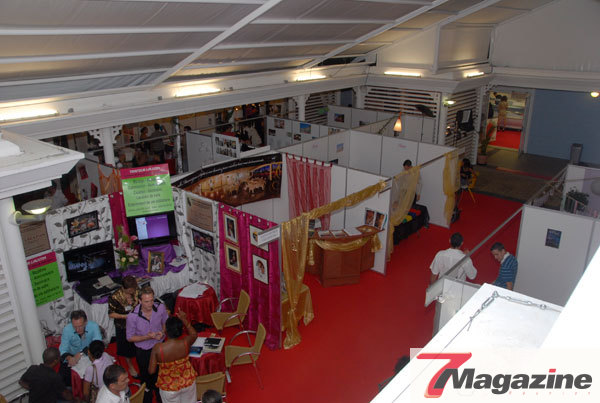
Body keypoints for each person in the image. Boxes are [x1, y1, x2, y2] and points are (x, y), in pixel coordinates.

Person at [126, 286, 168, 403]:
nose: (150, 304)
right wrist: (147, 337)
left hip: (159, 346)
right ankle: (148, 392)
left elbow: (165, 322)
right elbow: (129, 337)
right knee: (146, 376)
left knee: (161, 373)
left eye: (151, 300)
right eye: (146, 301)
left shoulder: (160, 307)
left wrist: (162, 332)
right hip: (144, 351)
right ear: (140, 301)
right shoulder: (132, 316)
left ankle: (160, 394)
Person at [148, 311, 198, 403]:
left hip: (168, 386)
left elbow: (151, 371)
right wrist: (184, 320)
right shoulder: (186, 342)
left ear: (166, 331)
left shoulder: (158, 348)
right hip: (188, 381)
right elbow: (194, 334)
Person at [59, 310, 103, 386]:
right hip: (72, 355)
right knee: (63, 377)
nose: (77, 330)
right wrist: (69, 358)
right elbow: (62, 349)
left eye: (80, 326)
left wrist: (81, 353)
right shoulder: (67, 329)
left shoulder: (94, 326)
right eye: (74, 327)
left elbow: (97, 345)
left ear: (85, 322)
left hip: (90, 354)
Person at [108, 276, 140, 378]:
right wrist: (125, 316)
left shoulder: (136, 291)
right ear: (123, 288)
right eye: (130, 290)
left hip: (136, 323)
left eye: (133, 289)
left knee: (139, 342)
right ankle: (130, 365)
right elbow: (111, 314)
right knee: (126, 347)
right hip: (123, 325)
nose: (132, 292)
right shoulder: (115, 297)